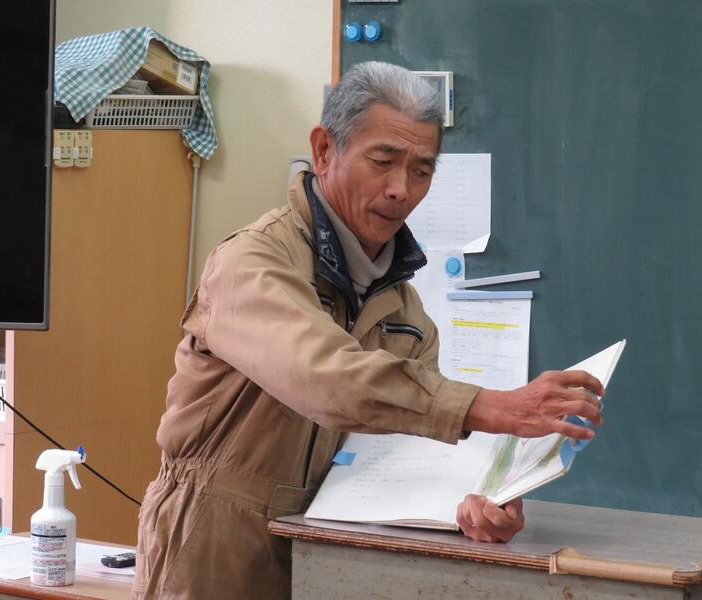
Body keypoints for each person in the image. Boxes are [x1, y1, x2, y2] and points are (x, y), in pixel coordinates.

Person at [132, 61, 604, 599]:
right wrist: (489, 406)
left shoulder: (407, 312)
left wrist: (476, 501)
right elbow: (325, 377)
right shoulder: (253, 262)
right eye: (383, 162)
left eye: (422, 171)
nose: (401, 189)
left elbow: (412, 449)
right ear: (324, 150)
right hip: (215, 545)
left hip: (336, 554)